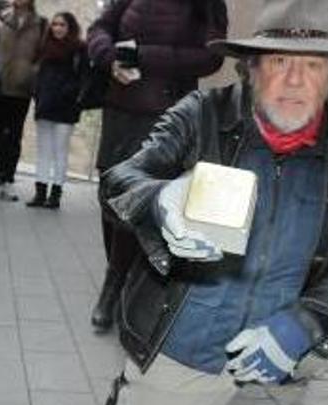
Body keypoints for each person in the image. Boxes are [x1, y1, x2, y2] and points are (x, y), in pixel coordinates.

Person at [99, 1, 328, 405]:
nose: (296, 80)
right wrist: (160, 201)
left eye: (314, 65)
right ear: (251, 68)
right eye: (279, 62)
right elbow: (121, 179)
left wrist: (301, 325)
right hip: (190, 327)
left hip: (283, 321)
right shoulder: (202, 115)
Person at [86, 0, 228, 332]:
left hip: (166, 116)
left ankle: (115, 285)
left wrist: (142, 55)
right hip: (120, 107)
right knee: (109, 196)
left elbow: (212, 55)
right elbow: (99, 28)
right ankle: (121, 279)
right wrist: (111, 57)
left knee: (138, 203)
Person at [0, 0, 45, 201]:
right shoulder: (1, 18)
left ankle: (7, 179)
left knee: (13, 136)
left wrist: (30, 73)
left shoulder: (40, 23)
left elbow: (42, 56)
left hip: (21, 88)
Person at [26, 12, 85, 210]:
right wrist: (37, 94)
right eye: (55, 24)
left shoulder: (79, 49)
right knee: (43, 151)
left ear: (70, 27)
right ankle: (40, 192)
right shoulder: (45, 48)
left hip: (66, 108)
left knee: (60, 152)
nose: (57, 28)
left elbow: (84, 79)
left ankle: (55, 194)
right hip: (45, 105)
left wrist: (73, 96)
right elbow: (39, 75)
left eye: (62, 25)